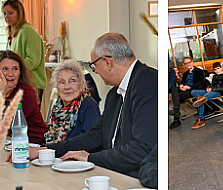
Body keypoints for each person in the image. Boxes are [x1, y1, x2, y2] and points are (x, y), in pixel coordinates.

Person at [9, 32, 158, 178]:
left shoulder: (148, 83)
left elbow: (143, 148)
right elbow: (95, 136)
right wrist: (44, 150)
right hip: (111, 173)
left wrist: (90, 158)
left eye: (94, 66)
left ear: (107, 62)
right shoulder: (115, 94)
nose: (96, 72)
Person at [0, 50, 48, 145]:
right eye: (5, 69)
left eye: (15, 69)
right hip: (4, 144)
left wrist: (1, 97)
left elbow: (7, 127)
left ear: (20, 72)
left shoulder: (25, 93)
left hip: (32, 145)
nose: (10, 74)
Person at [45, 60, 100, 143]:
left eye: (72, 81)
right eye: (62, 82)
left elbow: (93, 142)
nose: (67, 87)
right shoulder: (57, 107)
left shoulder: (88, 105)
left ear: (81, 84)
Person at [2, 0, 46, 102]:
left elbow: (33, 60)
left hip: (32, 85)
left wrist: (12, 70)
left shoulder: (27, 31)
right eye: (4, 13)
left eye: (10, 13)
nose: (6, 17)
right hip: (19, 85)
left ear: (19, 13)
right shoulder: (13, 35)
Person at [189, 62, 223, 129]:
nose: (217, 71)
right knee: (194, 91)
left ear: (221, 68)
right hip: (210, 91)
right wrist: (208, 87)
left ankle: (200, 119)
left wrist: (212, 89)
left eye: (218, 69)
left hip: (218, 92)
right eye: (215, 69)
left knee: (203, 98)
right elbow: (211, 84)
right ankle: (200, 99)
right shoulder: (214, 76)